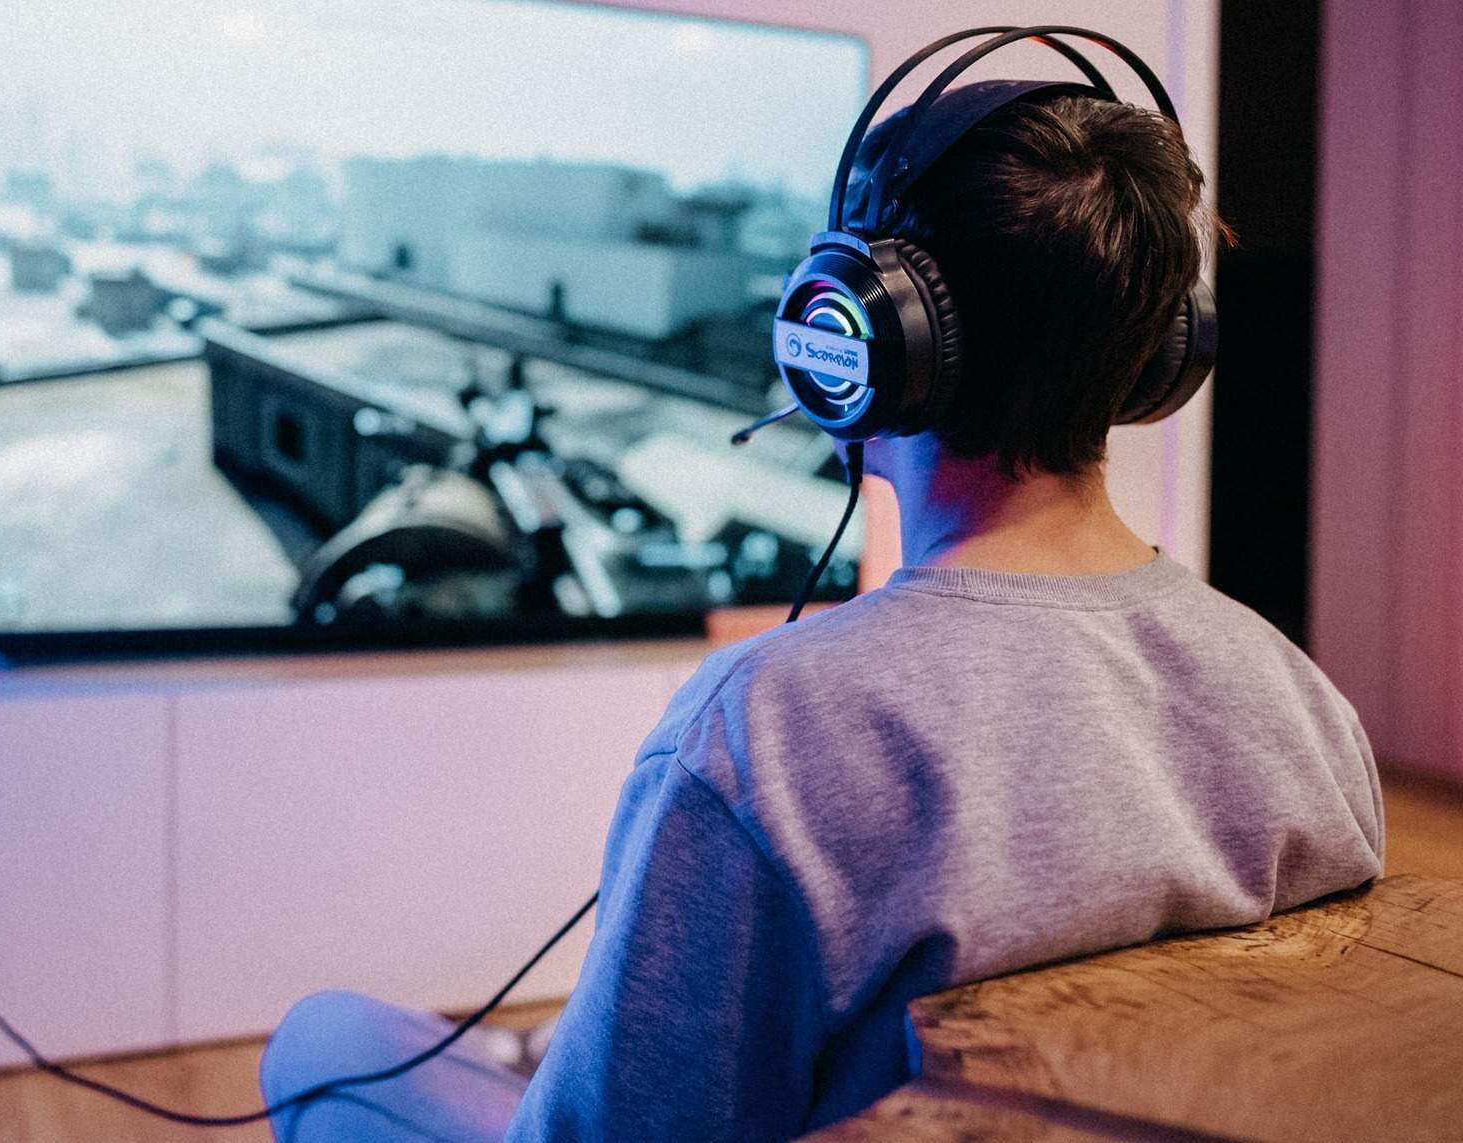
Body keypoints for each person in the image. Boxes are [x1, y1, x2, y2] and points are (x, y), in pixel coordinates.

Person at [258, 80, 1383, 1142]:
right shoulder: (1296, 698)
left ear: (856, 336)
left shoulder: (776, 729)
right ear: (1153, 360)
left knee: (325, 1040)